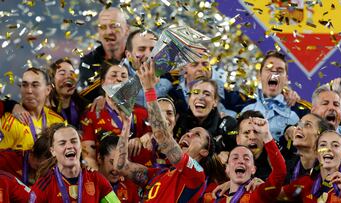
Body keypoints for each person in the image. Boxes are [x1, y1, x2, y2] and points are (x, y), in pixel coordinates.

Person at [114, 60, 216, 202]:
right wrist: (126, 124)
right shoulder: (160, 173)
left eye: (197, 134)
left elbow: (163, 137)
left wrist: (149, 89)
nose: (188, 134)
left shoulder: (196, 174)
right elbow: (120, 165)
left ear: (203, 152)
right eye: (189, 132)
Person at [81, 59, 150, 170]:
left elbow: (156, 136)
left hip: (136, 177)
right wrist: (100, 183)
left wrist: (142, 139)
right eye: (113, 75)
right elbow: (89, 157)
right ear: (103, 82)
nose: (119, 79)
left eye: (124, 76)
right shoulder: (92, 114)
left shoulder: (142, 112)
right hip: (107, 179)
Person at [30, 123, 119, 202]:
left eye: (74, 141)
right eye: (62, 143)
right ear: (53, 151)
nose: (69, 146)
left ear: (80, 147)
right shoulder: (43, 186)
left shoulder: (96, 179)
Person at [240, 50, 310, 141]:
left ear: (286, 79)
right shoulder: (243, 106)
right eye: (269, 69)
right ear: (259, 75)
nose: (274, 74)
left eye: (279, 71)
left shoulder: (300, 110)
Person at [215, 117, 287, 202]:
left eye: (246, 159)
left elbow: (280, 172)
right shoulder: (216, 196)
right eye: (235, 158)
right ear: (227, 168)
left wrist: (267, 135)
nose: (241, 161)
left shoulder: (259, 193)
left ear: (253, 169)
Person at [282, 130, 341, 202]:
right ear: (316, 153)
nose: (328, 149)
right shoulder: (305, 183)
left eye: (335, 145)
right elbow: (272, 194)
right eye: (323, 145)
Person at [0, 67, 64, 151]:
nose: (29, 90)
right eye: (24, 85)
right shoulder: (8, 122)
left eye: (35, 85)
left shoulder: (58, 121)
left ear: (48, 90)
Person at [173, 78, 238, 152]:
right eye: (196, 93)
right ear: (189, 99)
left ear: (215, 102)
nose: (200, 97)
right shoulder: (177, 121)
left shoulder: (228, 125)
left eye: (207, 94)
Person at [79, 7, 129, 101]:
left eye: (114, 26)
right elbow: (87, 99)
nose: (109, 32)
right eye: (103, 27)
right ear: (98, 32)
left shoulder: (138, 59)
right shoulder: (88, 62)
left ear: (127, 29)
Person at [310, 84, 341, 174]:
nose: (332, 108)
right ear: (313, 111)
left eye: (336, 105)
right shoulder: (298, 137)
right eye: (325, 103)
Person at [48, 58, 90, 128]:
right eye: (62, 73)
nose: (68, 76)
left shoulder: (85, 106)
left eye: (72, 73)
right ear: (52, 80)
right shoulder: (45, 109)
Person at [98, 135, 140, 202]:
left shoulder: (130, 186)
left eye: (120, 164)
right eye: (112, 162)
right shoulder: (89, 183)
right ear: (100, 158)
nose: (116, 169)